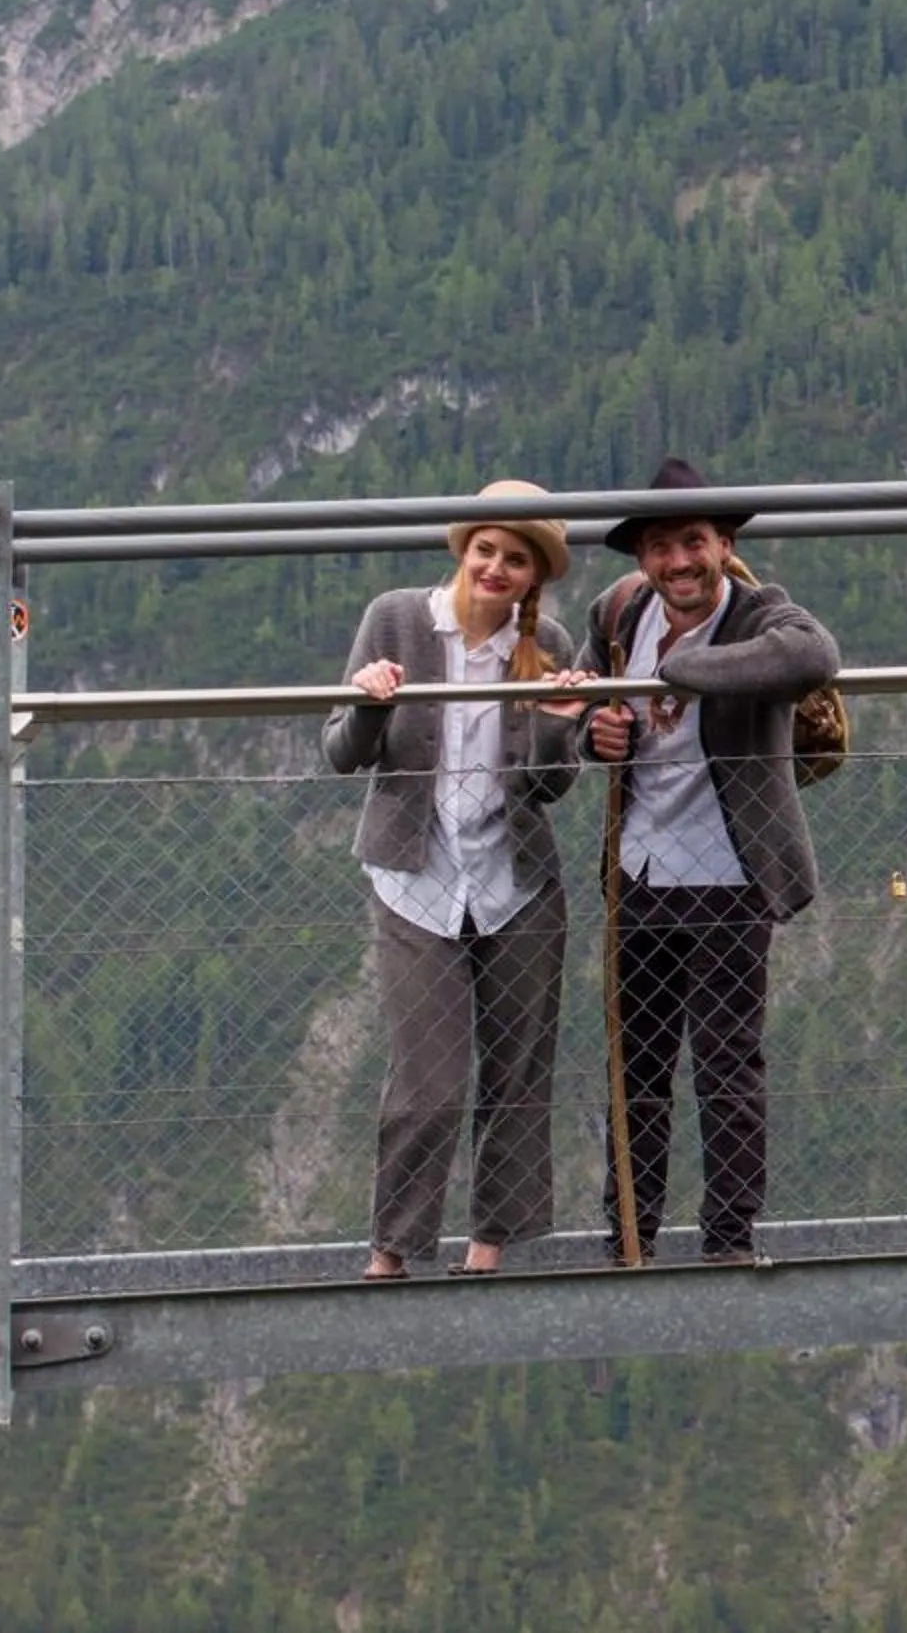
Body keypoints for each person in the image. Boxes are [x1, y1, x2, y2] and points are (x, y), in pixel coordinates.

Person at [323, 480, 592, 1280]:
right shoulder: (397, 618)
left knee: (517, 1070)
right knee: (428, 1082)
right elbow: (342, 752)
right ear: (464, 548)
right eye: (487, 550)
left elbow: (550, 787)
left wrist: (556, 731)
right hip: (416, 879)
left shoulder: (551, 645)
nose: (497, 568)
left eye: (516, 558)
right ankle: (392, 1251)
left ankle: (489, 1247)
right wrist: (370, 704)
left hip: (517, 882)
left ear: (534, 574)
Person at [581, 456, 839, 1266]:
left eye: (693, 542)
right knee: (637, 1067)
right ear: (640, 560)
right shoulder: (618, 612)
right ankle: (632, 1235)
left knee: (727, 1064)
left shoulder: (763, 614)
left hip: (731, 872)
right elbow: (589, 708)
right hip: (641, 873)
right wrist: (596, 732)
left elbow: (812, 657)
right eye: (659, 548)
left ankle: (728, 1240)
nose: (677, 563)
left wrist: (682, 669)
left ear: (724, 544)